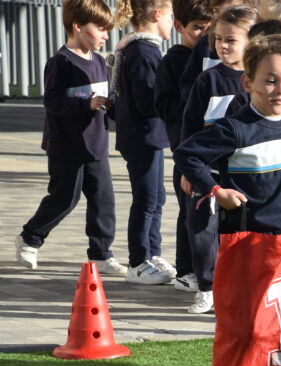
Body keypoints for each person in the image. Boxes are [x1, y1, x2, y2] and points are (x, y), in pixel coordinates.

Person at [174, 33, 281, 238]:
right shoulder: (235, 128)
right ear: (247, 83)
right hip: (250, 236)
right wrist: (216, 192)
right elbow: (186, 154)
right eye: (270, 81)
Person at [14, 0, 127, 275]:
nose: (105, 35)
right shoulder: (60, 62)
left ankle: (101, 254)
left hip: (96, 144)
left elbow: (108, 99)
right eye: (99, 28)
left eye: (106, 29)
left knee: (104, 201)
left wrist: (117, 108)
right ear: (77, 26)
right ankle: (30, 237)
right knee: (64, 197)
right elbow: (52, 102)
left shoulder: (100, 61)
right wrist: (86, 105)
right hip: (66, 145)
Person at [179, 4, 259, 313]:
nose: (222, 46)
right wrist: (189, 169)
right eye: (218, 38)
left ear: (251, 42)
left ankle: (244, 284)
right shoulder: (206, 80)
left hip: (245, 170)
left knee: (244, 231)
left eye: (231, 40)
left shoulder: (258, 81)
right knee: (201, 229)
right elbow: (190, 127)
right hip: (207, 170)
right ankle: (207, 287)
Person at [111, 0, 176, 285]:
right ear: (157, 14)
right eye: (171, 16)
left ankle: (152, 253)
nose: (173, 23)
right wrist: (174, 96)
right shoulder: (143, 51)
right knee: (146, 199)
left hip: (147, 136)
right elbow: (147, 100)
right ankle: (138, 262)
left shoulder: (139, 48)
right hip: (142, 137)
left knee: (156, 198)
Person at [154, 0, 211, 292]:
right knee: (187, 209)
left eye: (208, 27)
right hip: (185, 145)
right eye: (197, 28)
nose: (204, 33)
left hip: (210, 147)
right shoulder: (173, 60)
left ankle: (203, 266)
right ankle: (185, 269)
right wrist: (192, 104)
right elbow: (163, 104)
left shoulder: (215, 57)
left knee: (202, 210)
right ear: (179, 27)